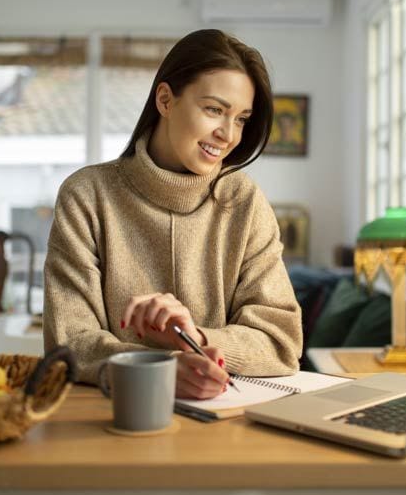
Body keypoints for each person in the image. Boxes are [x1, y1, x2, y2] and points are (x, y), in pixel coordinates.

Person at [43, 29, 302, 400]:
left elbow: (281, 342)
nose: (228, 135)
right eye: (214, 109)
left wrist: (196, 340)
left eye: (241, 118)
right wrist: (157, 370)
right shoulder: (86, 195)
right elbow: (69, 343)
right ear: (165, 100)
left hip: (227, 419)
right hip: (109, 414)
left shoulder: (244, 201)